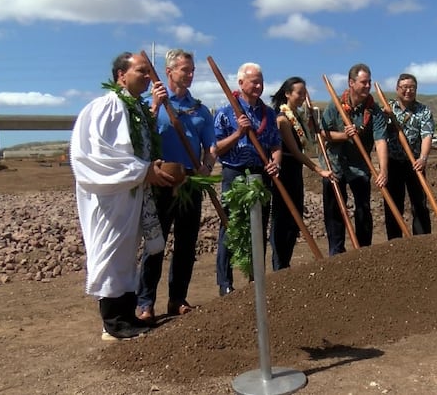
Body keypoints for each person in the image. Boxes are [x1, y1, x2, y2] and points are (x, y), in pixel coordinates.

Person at [70, 52, 175, 341]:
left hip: (131, 192)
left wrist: (148, 170)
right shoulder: (106, 106)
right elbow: (97, 154)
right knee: (111, 250)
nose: (148, 76)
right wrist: (142, 171)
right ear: (121, 76)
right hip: (110, 196)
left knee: (127, 253)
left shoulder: (137, 109)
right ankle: (113, 322)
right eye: (141, 71)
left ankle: (127, 316)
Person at [135, 49, 217, 322]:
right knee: (155, 243)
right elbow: (140, 136)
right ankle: (145, 302)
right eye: (185, 69)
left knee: (186, 243)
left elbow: (211, 146)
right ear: (169, 72)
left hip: (190, 181)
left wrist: (207, 166)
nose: (190, 74)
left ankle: (177, 298)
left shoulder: (200, 110)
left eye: (192, 70)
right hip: (161, 179)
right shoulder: (151, 104)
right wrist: (156, 106)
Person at [214, 62, 281, 295]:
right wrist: (238, 134)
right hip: (235, 173)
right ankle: (225, 283)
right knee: (232, 227)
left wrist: (276, 162)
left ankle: (256, 279)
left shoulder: (268, 113)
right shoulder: (225, 112)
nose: (259, 85)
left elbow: (275, 144)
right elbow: (216, 149)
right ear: (241, 83)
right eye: (254, 81)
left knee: (259, 226)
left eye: (261, 81)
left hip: (261, 173)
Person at [320, 63, 389, 255]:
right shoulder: (335, 105)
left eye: (369, 82)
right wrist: (344, 136)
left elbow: (380, 140)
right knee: (334, 209)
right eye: (363, 82)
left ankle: (363, 251)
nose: (367, 86)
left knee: (363, 207)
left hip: (359, 164)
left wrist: (383, 170)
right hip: (334, 163)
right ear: (351, 83)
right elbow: (323, 133)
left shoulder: (373, 110)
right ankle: (336, 251)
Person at [269, 77, 334, 270]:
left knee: (295, 217)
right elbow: (296, 152)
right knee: (283, 218)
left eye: (304, 93)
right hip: (286, 169)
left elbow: (308, 141)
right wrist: (319, 170)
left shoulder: (297, 116)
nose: (302, 97)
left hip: (295, 171)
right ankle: (279, 263)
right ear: (288, 94)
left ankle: (285, 262)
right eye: (299, 93)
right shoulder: (282, 119)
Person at [384, 73, 434, 239]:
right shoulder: (387, 109)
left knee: (419, 204)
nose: (408, 91)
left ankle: (422, 241)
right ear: (397, 89)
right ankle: (394, 242)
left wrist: (423, 158)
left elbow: (427, 135)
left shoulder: (424, 111)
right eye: (404, 87)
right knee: (393, 205)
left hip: (415, 163)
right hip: (393, 163)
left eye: (412, 87)